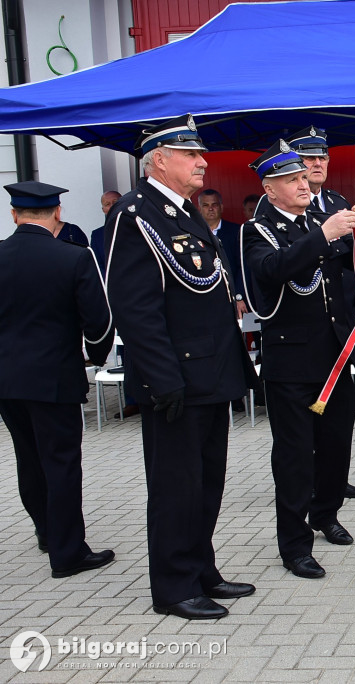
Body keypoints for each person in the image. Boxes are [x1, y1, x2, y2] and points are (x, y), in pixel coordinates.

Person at [105, 114, 257, 620]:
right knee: (175, 487)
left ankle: (201, 568)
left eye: (201, 153)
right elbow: (136, 309)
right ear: (159, 159)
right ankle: (172, 586)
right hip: (176, 379)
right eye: (189, 154)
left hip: (210, 373)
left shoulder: (183, 211)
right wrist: (160, 377)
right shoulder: (136, 215)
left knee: (207, 481)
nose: (202, 161)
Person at [242, 140, 355, 579]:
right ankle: (294, 544)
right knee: (295, 457)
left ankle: (326, 513)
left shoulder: (319, 219)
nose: (304, 184)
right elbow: (274, 270)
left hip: (333, 357)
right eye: (292, 180)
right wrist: (325, 234)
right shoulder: (256, 229)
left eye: (304, 177)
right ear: (270, 188)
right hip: (292, 365)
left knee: (336, 445)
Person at [0, 181, 115, 579]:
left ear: (15, 215)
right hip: (54, 377)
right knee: (61, 462)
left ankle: (47, 530)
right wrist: (96, 359)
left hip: (7, 380)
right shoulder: (74, 257)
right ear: (58, 214)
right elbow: (99, 323)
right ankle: (67, 552)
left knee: (28, 457)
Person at [283, 126, 355, 500]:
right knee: (305, 423)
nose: (317, 164)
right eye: (308, 158)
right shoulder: (281, 208)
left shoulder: (336, 201)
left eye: (322, 157)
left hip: (339, 323)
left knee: (338, 422)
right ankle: (311, 483)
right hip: (301, 329)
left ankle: (334, 480)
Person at [197, 189, 247, 319]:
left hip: (232, 298)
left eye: (214, 205)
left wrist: (239, 296)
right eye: (206, 205)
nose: (211, 209)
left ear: (221, 207)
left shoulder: (237, 232)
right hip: (203, 298)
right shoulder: (192, 233)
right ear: (199, 208)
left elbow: (243, 267)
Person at [89, 190, 122, 270]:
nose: (112, 206)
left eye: (115, 202)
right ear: (103, 210)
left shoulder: (136, 227)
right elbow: (97, 265)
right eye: (107, 204)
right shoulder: (97, 235)